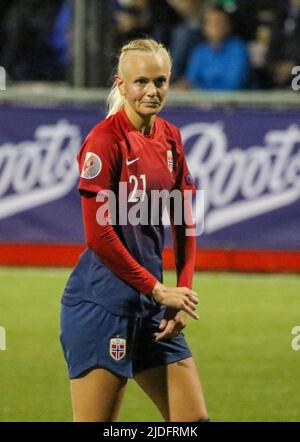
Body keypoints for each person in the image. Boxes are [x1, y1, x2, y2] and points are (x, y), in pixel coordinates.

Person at [60, 38, 209, 422]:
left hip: (151, 307)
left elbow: (184, 224)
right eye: (141, 82)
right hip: (102, 307)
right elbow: (99, 236)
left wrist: (182, 294)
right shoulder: (104, 141)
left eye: (160, 81)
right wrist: (159, 289)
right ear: (121, 85)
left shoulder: (171, 137)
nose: (152, 91)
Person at [175, 6, 250, 91]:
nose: (216, 27)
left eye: (220, 22)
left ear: (229, 26)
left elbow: (233, 86)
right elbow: (190, 80)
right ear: (204, 28)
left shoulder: (238, 49)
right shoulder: (200, 51)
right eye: (211, 23)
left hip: (235, 102)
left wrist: (197, 88)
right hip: (201, 101)